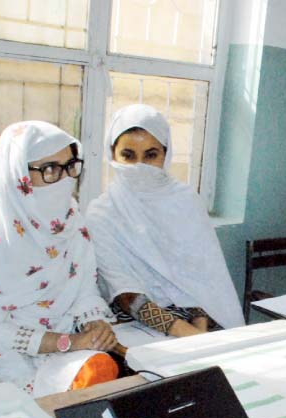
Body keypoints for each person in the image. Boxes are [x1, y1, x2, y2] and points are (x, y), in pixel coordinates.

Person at [0, 121, 120, 396]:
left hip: (62, 337)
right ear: (18, 174)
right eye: (49, 169)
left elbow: (84, 287)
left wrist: (94, 322)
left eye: (71, 165)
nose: (64, 179)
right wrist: (66, 342)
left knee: (102, 374)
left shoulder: (69, 221)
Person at [86, 104, 244, 337]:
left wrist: (200, 328)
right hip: (135, 319)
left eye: (151, 155)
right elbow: (124, 293)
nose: (139, 166)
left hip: (198, 316)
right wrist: (187, 335)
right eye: (128, 156)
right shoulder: (101, 213)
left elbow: (203, 277)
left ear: (166, 154)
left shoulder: (185, 200)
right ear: (112, 154)